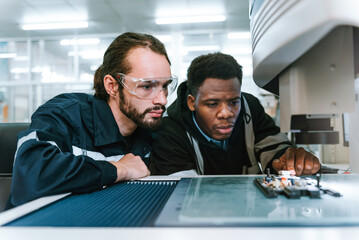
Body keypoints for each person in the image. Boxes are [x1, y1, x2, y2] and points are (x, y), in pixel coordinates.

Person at [7, 32, 178, 208]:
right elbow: (31, 174)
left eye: (164, 86)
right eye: (147, 86)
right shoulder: (63, 114)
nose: (162, 100)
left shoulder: (149, 128)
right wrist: (119, 168)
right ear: (112, 86)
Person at [150, 52, 320, 176]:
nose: (226, 113)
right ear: (191, 102)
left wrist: (289, 160)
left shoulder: (249, 107)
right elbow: (184, 194)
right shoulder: (169, 131)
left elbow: (275, 151)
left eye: (233, 102)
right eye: (212, 104)